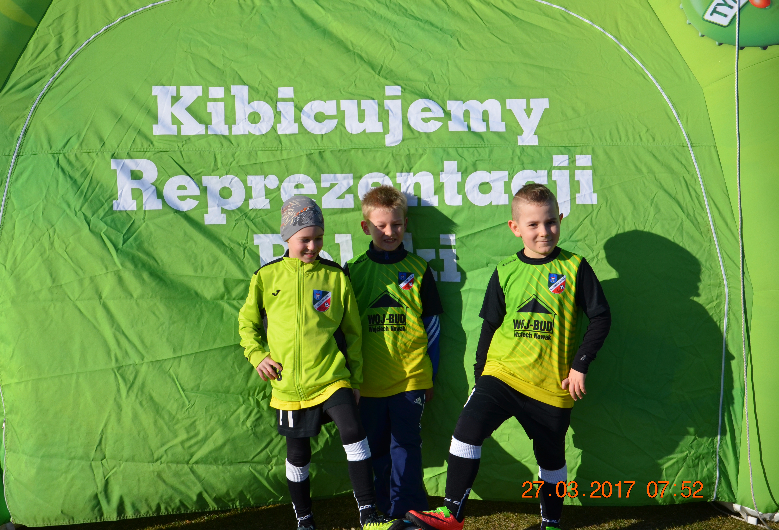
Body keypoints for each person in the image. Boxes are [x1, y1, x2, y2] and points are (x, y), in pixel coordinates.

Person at [406, 184, 612, 530]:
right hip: (502, 375)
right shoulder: (505, 270)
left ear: (560, 219)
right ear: (515, 228)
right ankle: (452, 514)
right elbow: (489, 328)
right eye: (533, 224)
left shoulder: (575, 267)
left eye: (550, 222)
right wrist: (481, 376)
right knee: (466, 430)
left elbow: (601, 317)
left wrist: (580, 364)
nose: (543, 231)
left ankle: (551, 522)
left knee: (551, 459)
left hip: (551, 385)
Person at [238, 196, 400, 530]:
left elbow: (353, 332)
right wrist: (257, 355)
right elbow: (247, 324)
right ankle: (305, 519)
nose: (313, 246)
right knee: (298, 455)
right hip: (288, 386)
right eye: (305, 240)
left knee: (353, 430)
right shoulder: (266, 277)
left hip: (332, 377)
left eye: (319, 238)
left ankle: (369, 515)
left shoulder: (335, 277)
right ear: (287, 237)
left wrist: (355, 380)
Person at [344, 185, 443, 520]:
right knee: (375, 447)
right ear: (365, 227)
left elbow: (432, 325)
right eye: (381, 225)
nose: (390, 232)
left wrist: (430, 375)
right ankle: (383, 507)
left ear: (405, 224)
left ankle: (409, 510)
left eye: (396, 224)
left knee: (406, 445)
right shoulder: (353, 271)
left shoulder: (419, 269)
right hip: (367, 382)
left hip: (410, 378)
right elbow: (343, 328)